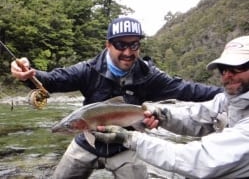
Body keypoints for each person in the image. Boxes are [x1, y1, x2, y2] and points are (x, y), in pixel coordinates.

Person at [11, 17, 223, 179]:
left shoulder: (150, 76)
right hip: (86, 143)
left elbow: (188, 90)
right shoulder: (87, 70)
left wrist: (227, 94)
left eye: (134, 45)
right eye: (121, 45)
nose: (128, 52)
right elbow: (52, 81)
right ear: (108, 45)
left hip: (126, 146)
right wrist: (29, 74)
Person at [94, 35, 249, 178]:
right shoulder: (227, 100)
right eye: (223, 69)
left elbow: (199, 160)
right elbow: (195, 117)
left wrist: (129, 138)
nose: (228, 75)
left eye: (238, 67)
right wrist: (161, 114)